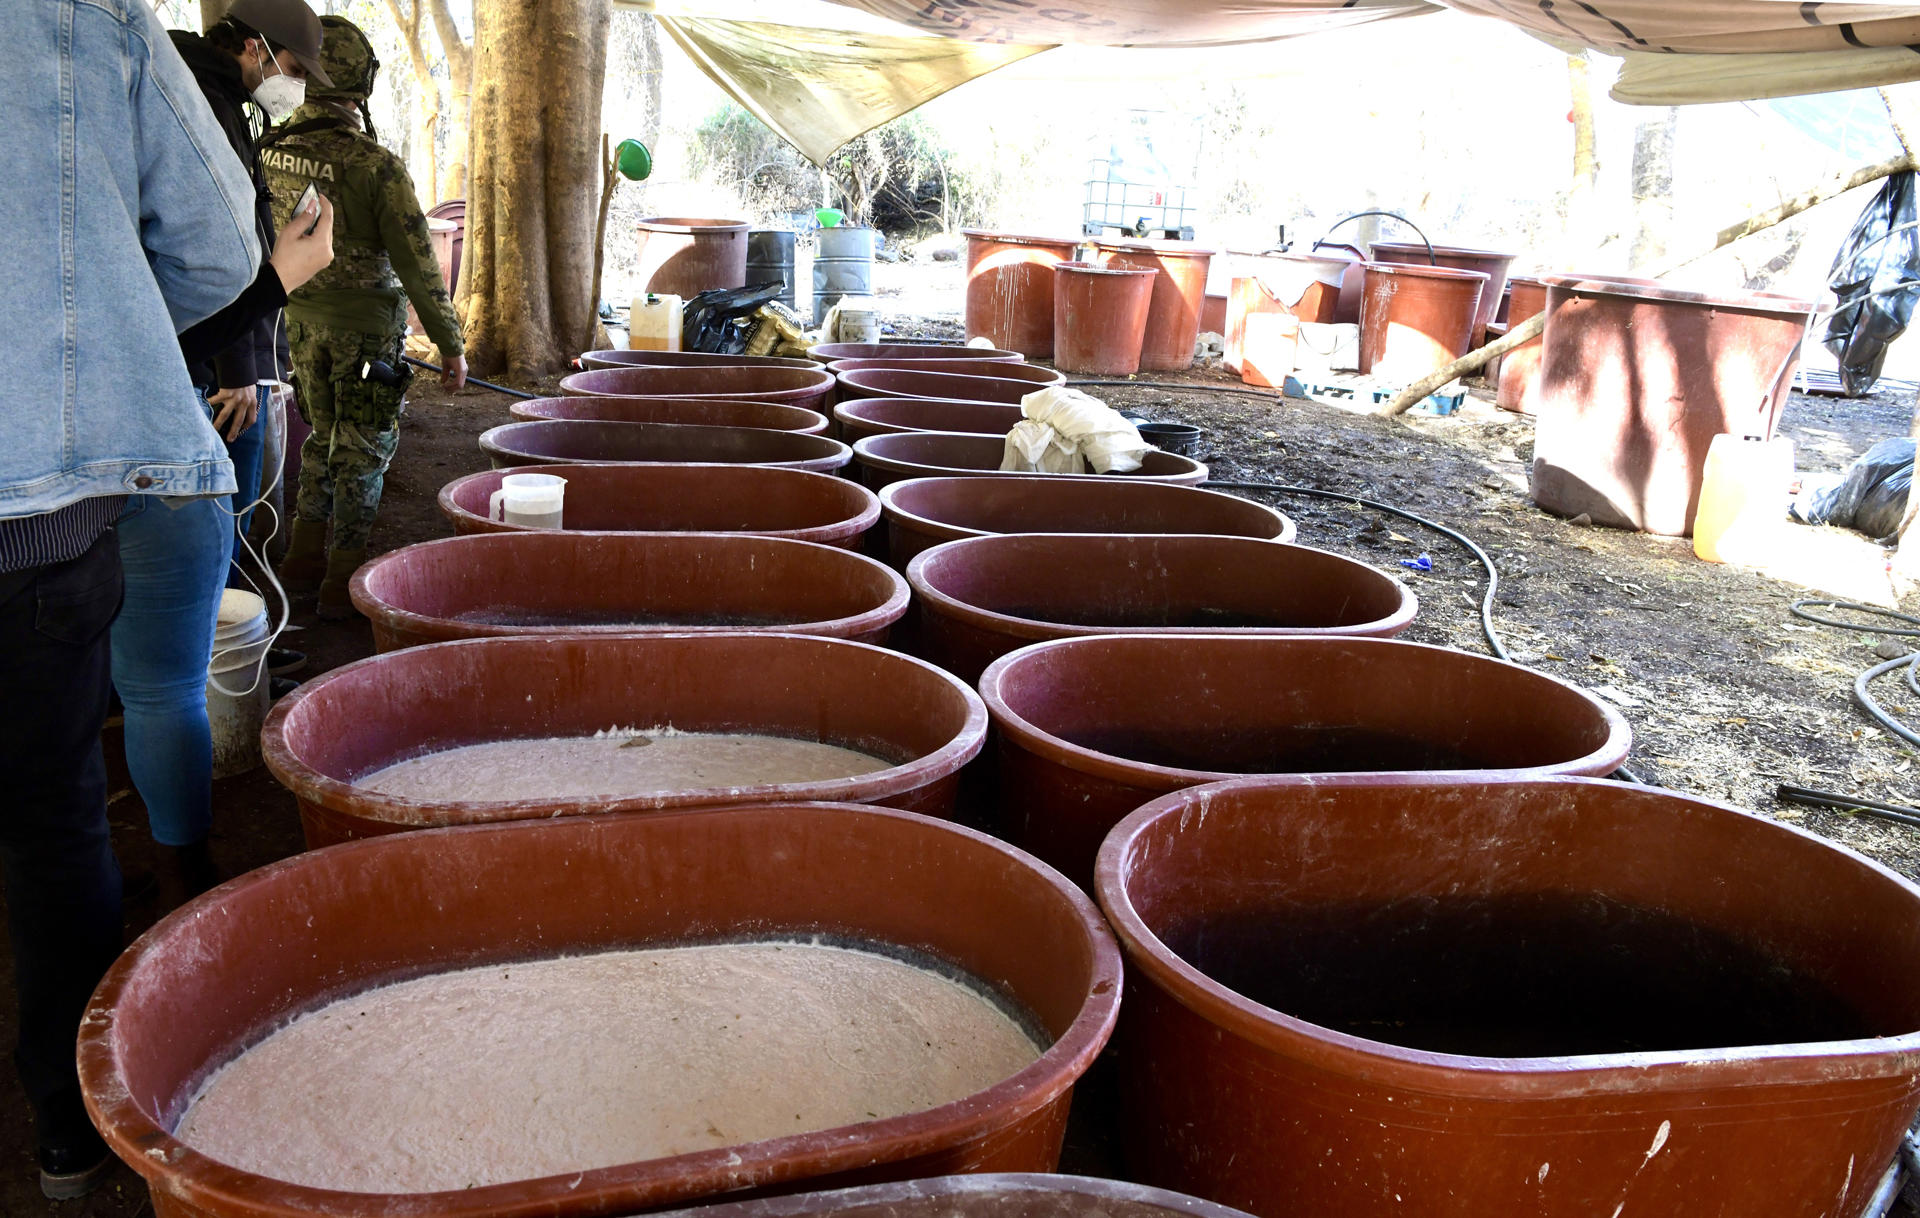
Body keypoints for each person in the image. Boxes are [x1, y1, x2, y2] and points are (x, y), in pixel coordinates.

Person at [0, 0, 260, 1198]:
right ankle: (63, 1124)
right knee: (55, 818)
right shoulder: (83, 18)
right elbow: (218, 248)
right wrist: (87, 319)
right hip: (38, 522)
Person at [111, 0, 333, 909]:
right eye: (287, 65)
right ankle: (187, 879)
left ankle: (83, 872)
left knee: (69, 675)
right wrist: (276, 292)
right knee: (167, 682)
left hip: (50, 456)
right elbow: (205, 283)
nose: (290, 88)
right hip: (164, 425)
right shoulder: (189, 107)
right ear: (252, 48)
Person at [263, 15, 467, 619]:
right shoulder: (374, 164)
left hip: (297, 324)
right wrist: (451, 344)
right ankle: (340, 584)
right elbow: (417, 263)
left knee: (321, 437)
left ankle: (301, 558)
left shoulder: (268, 152)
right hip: (366, 334)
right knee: (364, 449)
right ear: (361, 82)